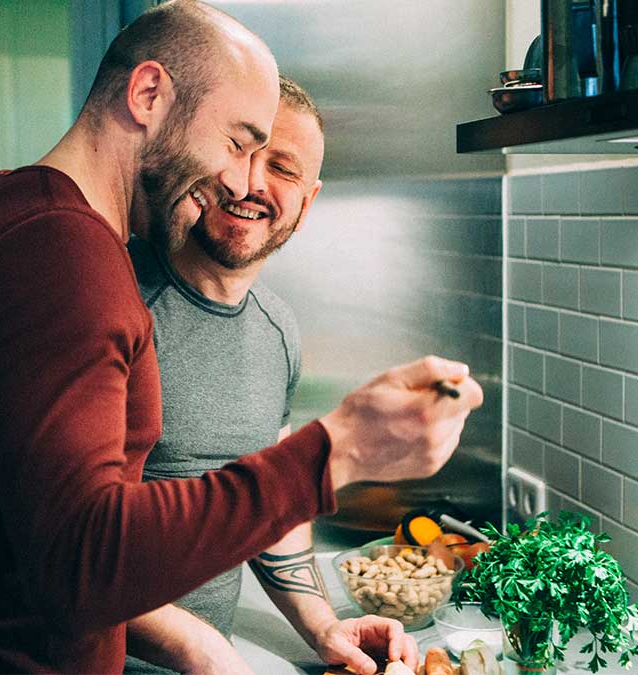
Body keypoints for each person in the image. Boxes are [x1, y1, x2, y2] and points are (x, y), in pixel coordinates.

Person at [0, 1, 483, 673]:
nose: (235, 179)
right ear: (148, 94)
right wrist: (338, 448)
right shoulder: (65, 257)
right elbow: (82, 566)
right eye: (237, 142)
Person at [124, 75, 418, 675]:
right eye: (240, 152)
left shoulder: (277, 330)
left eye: (281, 167)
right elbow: (55, 538)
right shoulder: (116, 303)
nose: (252, 182)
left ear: (306, 203)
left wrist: (325, 627)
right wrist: (198, 648)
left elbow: (270, 511)